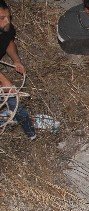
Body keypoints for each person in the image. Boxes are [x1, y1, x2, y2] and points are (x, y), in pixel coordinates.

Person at [0, 0, 36, 140]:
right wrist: (5, 82)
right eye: (2, 18)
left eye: (8, 16)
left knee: (11, 97)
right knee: (8, 91)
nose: (7, 21)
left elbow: (9, 42)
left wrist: (16, 60)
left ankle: (29, 131)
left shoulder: (6, 27)